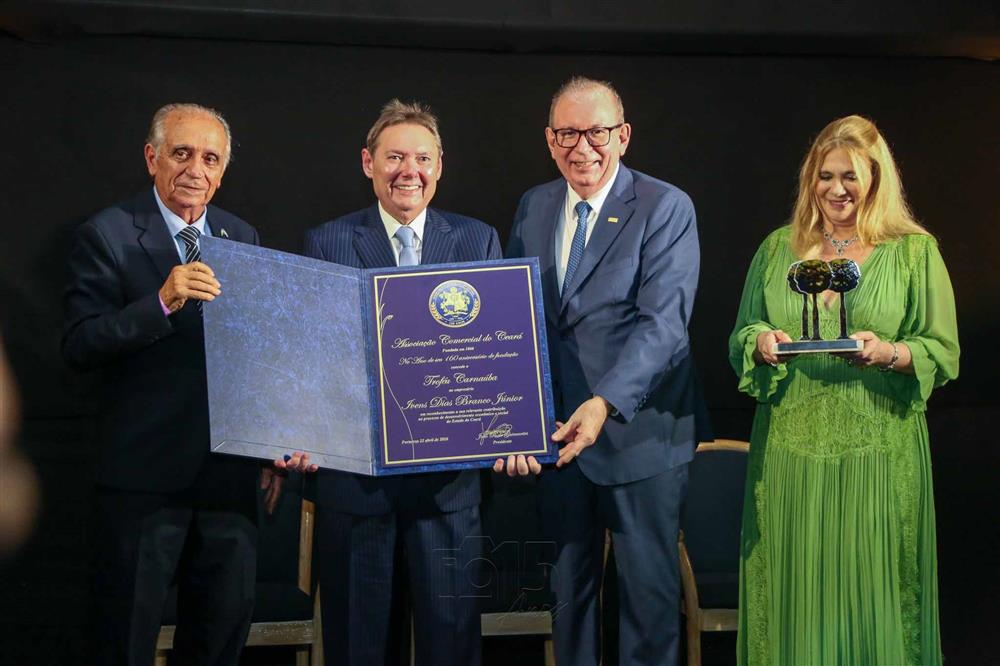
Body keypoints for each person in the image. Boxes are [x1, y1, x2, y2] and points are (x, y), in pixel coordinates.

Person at [729, 115, 959, 665]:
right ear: (810, 179)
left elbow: (942, 350)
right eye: (826, 176)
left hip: (879, 455)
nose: (837, 190)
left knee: (875, 600)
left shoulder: (914, 252)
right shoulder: (777, 249)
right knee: (793, 601)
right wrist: (762, 341)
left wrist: (888, 352)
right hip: (789, 456)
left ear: (876, 179)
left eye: (850, 177)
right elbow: (743, 331)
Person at [279, 99, 501, 666]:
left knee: (451, 647)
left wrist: (511, 429)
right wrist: (299, 432)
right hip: (356, 486)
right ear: (368, 163)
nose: (409, 171)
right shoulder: (327, 242)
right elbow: (309, 357)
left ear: (440, 166)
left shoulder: (477, 241)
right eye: (395, 157)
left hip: (448, 489)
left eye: (422, 158)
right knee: (357, 646)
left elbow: (498, 357)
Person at [62, 103, 281, 665]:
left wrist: (270, 445)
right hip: (143, 487)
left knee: (218, 643)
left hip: (229, 485)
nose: (195, 169)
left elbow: (258, 355)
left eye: (210, 158)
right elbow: (80, 344)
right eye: (182, 153)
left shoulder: (242, 236)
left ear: (222, 171)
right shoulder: (107, 234)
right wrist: (159, 302)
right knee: (124, 643)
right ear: (151, 157)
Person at [502, 76, 709, 666]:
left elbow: (664, 326)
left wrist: (605, 402)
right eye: (568, 134)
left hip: (640, 436)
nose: (583, 147)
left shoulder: (665, 206)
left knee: (648, 606)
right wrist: (512, 417)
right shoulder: (534, 205)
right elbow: (518, 320)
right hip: (560, 440)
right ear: (550, 141)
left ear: (623, 135)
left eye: (596, 132)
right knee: (568, 603)